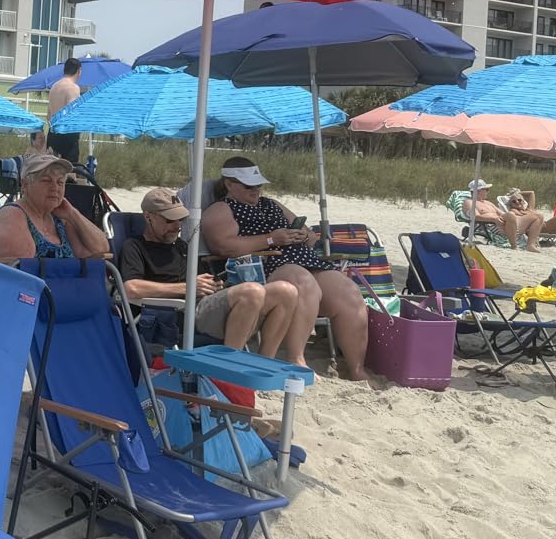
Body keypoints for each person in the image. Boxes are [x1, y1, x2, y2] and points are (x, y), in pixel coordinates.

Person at [200, 156, 370, 380]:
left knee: (349, 292)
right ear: (229, 184)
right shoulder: (221, 210)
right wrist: (271, 239)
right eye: (249, 186)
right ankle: (295, 358)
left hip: (305, 259)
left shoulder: (271, 204)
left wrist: (302, 234)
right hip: (267, 262)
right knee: (304, 283)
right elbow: (224, 246)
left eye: (259, 185)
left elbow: (311, 237)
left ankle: (357, 368)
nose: (256, 190)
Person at [120, 187, 299, 358]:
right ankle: (227, 367)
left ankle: (264, 362)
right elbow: (131, 289)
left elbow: (200, 282)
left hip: (203, 304)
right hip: (178, 313)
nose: (177, 226)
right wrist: (188, 287)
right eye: (169, 220)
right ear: (148, 217)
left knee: (286, 292)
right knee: (251, 291)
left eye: (180, 219)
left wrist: (214, 284)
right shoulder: (134, 247)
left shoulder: (180, 246)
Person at [0, 150, 110, 262]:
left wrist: (73, 214)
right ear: (25, 185)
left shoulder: (61, 219)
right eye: (46, 180)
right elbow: (21, 273)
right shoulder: (12, 215)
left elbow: (100, 249)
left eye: (60, 182)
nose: (55, 187)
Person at [465, 178, 542, 251]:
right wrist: (494, 219)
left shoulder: (488, 203)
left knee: (538, 216)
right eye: (486, 190)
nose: (488, 192)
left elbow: (503, 214)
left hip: (505, 223)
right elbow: (475, 216)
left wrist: (520, 214)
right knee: (510, 215)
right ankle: (514, 246)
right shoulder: (470, 202)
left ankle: (530, 245)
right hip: (492, 225)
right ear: (478, 191)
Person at [504, 187, 556, 253]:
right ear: (511, 205)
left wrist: (516, 194)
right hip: (540, 229)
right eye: (514, 202)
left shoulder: (529, 209)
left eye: (519, 200)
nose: (517, 202)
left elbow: (531, 193)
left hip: (546, 225)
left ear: (523, 201)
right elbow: (514, 220)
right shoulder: (514, 211)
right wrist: (511, 198)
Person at [44, 57, 83, 165]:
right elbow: (71, 113)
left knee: (52, 168)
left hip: (53, 133)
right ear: (79, 70)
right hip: (67, 134)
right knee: (69, 171)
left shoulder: (54, 87)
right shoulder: (73, 88)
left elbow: (49, 115)